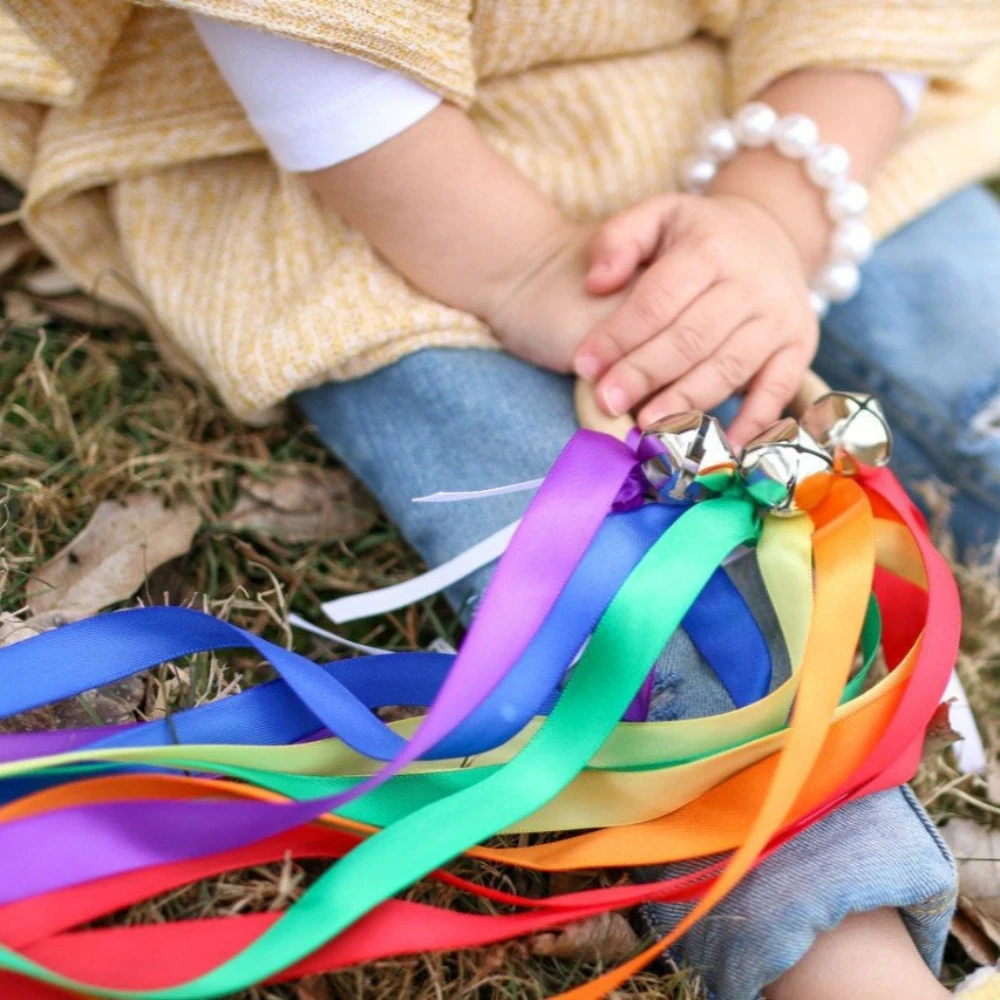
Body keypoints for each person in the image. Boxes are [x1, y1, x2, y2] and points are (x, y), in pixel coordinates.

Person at [2, 3, 1000, 997]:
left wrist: (771, 211)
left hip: (764, 105)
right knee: (627, 570)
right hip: (377, 180)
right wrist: (522, 263)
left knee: (969, 331)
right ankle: (835, 943)